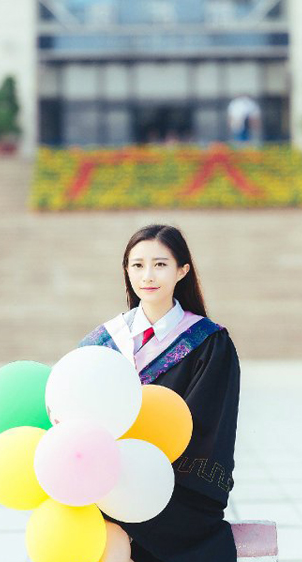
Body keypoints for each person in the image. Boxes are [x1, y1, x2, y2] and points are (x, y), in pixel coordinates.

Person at [76, 224, 241, 562]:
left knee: (114, 524)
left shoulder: (208, 342)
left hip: (176, 490)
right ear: (126, 270)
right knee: (100, 524)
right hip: (107, 480)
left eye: (160, 264)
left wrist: (139, 472)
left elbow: (208, 429)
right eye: (137, 265)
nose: (147, 275)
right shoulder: (103, 342)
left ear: (182, 270)